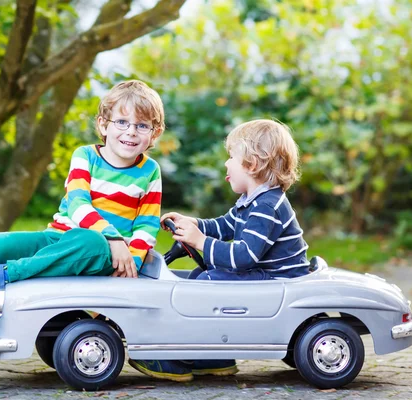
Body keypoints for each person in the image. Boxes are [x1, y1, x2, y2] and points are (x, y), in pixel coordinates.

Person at [0, 80, 164, 352]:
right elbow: (78, 205)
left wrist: (131, 262)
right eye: (122, 122)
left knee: (89, 241)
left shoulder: (150, 171)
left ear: (154, 134)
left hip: (103, 255)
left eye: (142, 126)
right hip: (58, 238)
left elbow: (147, 225)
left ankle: (8, 275)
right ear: (104, 124)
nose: (131, 132)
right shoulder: (85, 156)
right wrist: (113, 236)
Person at [129, 119, 309, 382]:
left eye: (231, 157)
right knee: (196, 279)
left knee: (206, 284)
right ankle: (213, 355)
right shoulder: (252, 200)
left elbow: (244, 257)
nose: (226, 163)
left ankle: (182, 358)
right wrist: (194, 224)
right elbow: (225, 225)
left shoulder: (267, 206)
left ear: (253, 164)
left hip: (275, 279)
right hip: (265, 274)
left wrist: (200, 241)